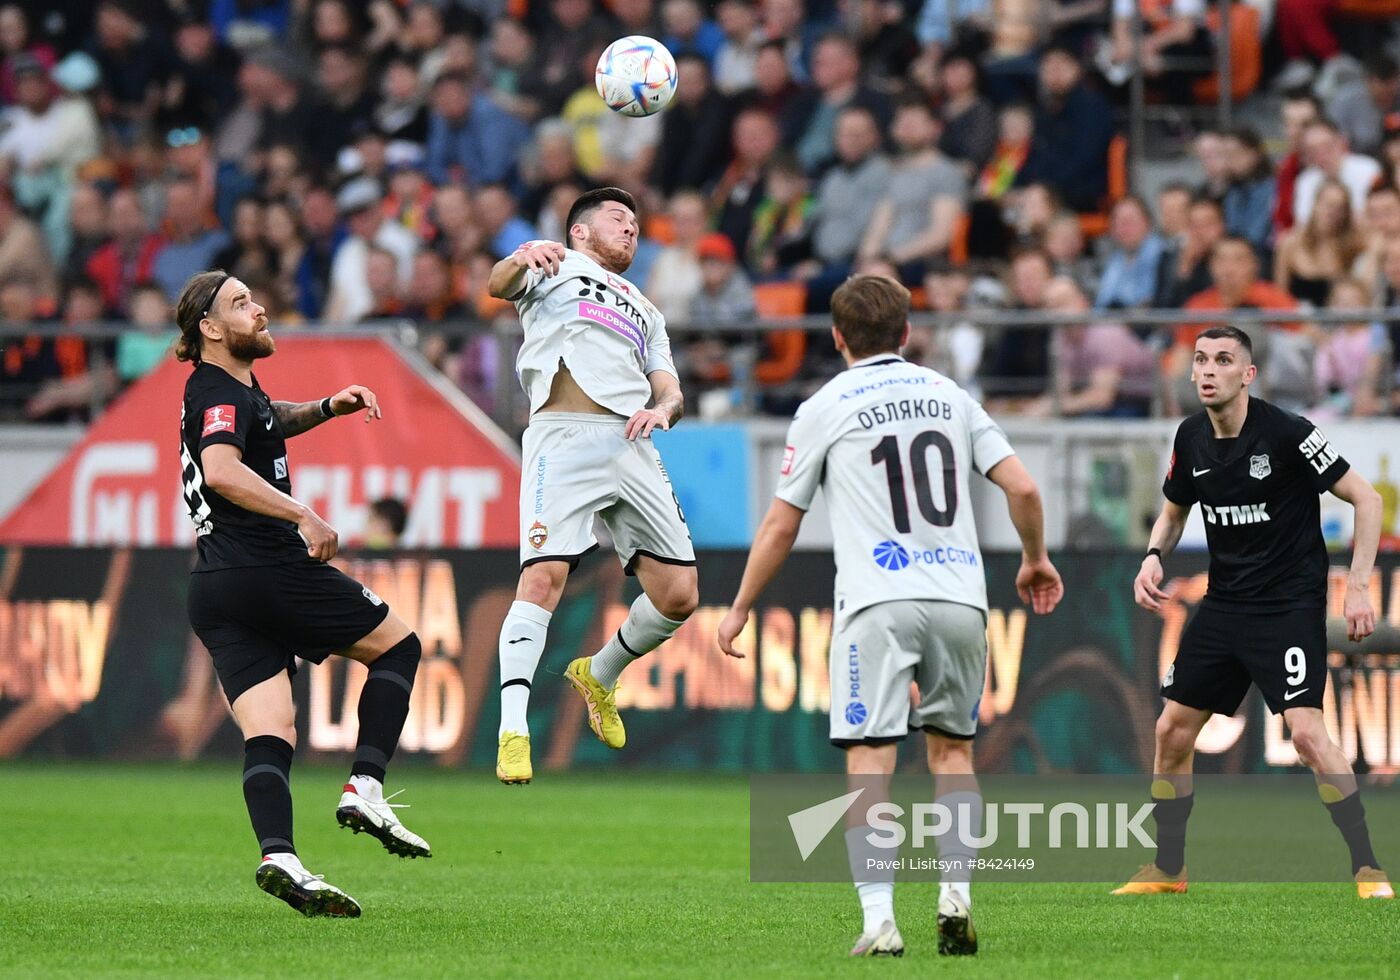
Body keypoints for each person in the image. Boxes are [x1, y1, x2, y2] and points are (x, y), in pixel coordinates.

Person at [716, 274, 1064, 957]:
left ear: (838, 337)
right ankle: (955, 895)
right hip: (962, 598)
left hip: (877, 601)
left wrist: (739, 607)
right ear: (907, 333)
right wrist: (1034, 559)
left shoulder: (824, 405)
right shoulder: (950, 395)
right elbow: (1021, 484)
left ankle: (880, 919)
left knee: (871, 756)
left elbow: (782, 526)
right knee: (953, 753)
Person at [175, 270, 431, 918]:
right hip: (268, 568)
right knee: (399, 646)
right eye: (240, 303)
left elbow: (262, 423)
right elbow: (223, 469)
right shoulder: (216, 393)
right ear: (208, 328)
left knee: (271, 731)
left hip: (217, 585)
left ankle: (279, 855)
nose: (259, 308)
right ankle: (366, 785)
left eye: (254, 297)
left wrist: (324, 408)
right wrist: (303, 516)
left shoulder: (231, 388)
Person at [1116, 325, 1393, 901]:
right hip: (1224, 607)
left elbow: (1366, 499)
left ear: (1248, 375)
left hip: (1287, 608)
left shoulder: (1289, 434)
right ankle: (1169, 871)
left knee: (1308, 735)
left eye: (1223, 360)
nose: (1208, 369)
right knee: (1170, 731)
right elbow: (1172, 514)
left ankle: (1368, 868)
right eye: (1200, 359)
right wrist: (1151, 557)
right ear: (1191, 373)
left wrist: (1360, 587)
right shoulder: (1190, 436)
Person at [485, 187, 698, 785]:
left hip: (633, 442)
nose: (631, 228)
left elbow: (670, 387)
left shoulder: (646, 310)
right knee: (544, 576)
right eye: (617, 218)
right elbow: (498, 285)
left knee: (680, 596)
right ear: (580, 231)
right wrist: (522, 257)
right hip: (564, 436)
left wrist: (665, 411)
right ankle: (514, 729)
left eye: (636, 223)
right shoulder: (554, 266)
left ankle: (598, 673)